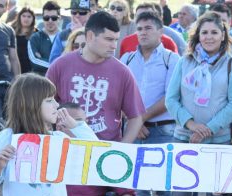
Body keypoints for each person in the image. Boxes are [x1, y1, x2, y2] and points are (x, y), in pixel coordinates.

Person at [164, 11, 232, 196]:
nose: (209, 37)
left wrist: (207, 128)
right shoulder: (184, 62)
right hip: (184, 140)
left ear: (223, 36)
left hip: (219, 143)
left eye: (214, 32)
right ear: (197, 35)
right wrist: (190, 124)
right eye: (204, 32)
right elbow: (171, 99)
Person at [120, 11, 205, 196]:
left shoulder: (172, 60)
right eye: (140, 28)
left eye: (148, 28)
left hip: (164, 129)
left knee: (173, 183)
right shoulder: (126, 60)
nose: (143, 32)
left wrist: (139, 120)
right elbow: (119, 95)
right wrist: (134, 123)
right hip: (135, 129)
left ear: (160, 31)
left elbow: (170, 98)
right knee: (138, 184)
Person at [47, 11, 145, 143]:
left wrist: (121, 149)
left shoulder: (122, 72)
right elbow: (42, 106)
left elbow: (136, 117)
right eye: (109, 39)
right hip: (67, 150)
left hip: (106, 152)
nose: (114, 46)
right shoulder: (60, 65)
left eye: (116, 39)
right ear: (90, 36)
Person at [28, 1, 60, 76]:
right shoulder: (35, 38)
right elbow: (34, 61)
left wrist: (42, 59)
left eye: (54, 18)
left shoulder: (66, 37)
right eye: (46, 18)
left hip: (61, 82)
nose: (50, 21)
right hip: (40, 83)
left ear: (59, 18)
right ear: (43, 18)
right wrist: (59, 66)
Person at [11, 6, 36, 73]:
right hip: (14, 68)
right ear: (19, 17)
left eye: (29, 16)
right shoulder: (11, 31)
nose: (26, 19)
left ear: (33, 19)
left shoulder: (36, 34)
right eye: (24, 16)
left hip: (30, 70)